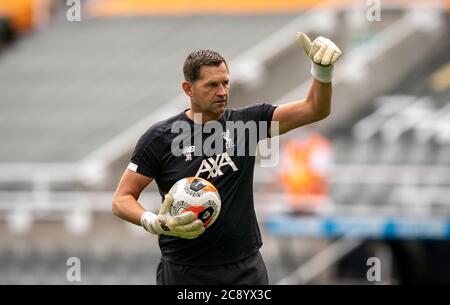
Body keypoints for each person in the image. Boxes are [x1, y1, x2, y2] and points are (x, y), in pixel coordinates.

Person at [112, 33, 342, 285]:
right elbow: (122, 199)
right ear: (188, 88)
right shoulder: (160, 138)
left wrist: (322, 70)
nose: (222, 92)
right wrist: (156, 222)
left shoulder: (248, 124)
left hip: (244, 270)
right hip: (184, 272)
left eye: (226, 83)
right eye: (212, 85)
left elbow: (315, 109)